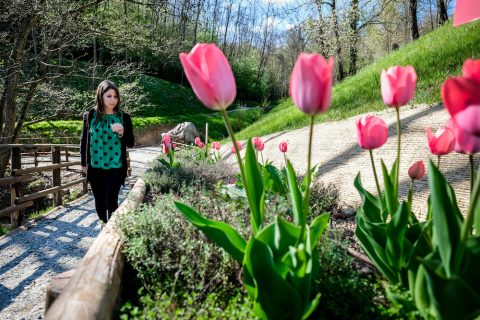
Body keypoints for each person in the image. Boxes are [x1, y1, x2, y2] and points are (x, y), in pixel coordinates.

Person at [80, 80, 134, 223]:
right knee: (100, 203)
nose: (113, 100)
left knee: (111, 201)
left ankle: (111, 229)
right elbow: (84, 140)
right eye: (109, 96)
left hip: (115, 167)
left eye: (115, 96)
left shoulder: (124, 117)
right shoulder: (90, 116)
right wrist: (83, 164)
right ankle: (104, 223)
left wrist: (122, 132)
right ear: (100, 96)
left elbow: (131, 142)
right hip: (95, 166)